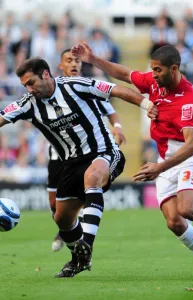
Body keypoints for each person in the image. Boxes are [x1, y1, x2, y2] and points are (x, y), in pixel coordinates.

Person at [72, 42, 193, 279]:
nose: (153, 75)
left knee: (187, 209)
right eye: (152, 70)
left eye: (158, 70)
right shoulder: (155, 82)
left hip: (190, 158)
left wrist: (158, 168)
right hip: (165, 161)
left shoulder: (189, 100)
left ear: (174, 69)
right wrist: (93, 59)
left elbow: (191, 145)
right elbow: (124, 73)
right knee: (174, 222)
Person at [0, 57, 157, 278]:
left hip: (104, 152)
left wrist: (147, 104)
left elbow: (116, 90)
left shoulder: (75, 86)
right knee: (62, 218)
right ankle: (79, 260)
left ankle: (86, 244)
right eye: (25, 85)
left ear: (46, 74)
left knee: (92, 177)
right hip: (71, 164)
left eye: (31, 82)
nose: (28, 89)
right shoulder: (28, 104)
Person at [50, 49, 126, 252]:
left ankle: (83, 239)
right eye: (69, 60)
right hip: (59, 152)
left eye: (77, 60)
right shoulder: (50, 89)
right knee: (56, 205)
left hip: (90, 150)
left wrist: (117, 128)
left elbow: (110, 110)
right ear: (61, 65)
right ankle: (68, 228)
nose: (74, 64)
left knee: (88, 185)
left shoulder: (88, 85)